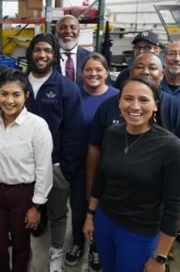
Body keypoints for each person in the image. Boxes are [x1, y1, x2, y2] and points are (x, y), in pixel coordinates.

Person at [84, 75, 180, 272]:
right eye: (128, 98)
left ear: (156, 105)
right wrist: (91, 215)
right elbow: (102, 178)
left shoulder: (171, 147)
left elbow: (174, 207)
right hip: (105, 221)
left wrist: (160, 257)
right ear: (119, 102)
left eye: (144, 99)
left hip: (139, 233)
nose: (135, 106)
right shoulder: (112, 133)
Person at [0, 69, 53, 272]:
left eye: (16, 94)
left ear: (26, 96)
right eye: (4, 94)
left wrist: (37, 206)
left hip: (23, 195)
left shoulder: (37, 126)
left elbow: (44, 169)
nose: (9, 100)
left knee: (21, 247)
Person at [25, 33, 84, 272]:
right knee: (26, 212)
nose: (42, 55)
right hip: (24, 166)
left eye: (48, 50)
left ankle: (56, 254)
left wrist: (65, 166)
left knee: (58, 214)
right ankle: (23, 253)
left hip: (55, 164)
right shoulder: (19, 83)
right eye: (38, 50)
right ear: (30, 53)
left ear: (54, 55)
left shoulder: (66, 88)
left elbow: (74, 130)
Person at [65, 53, 119, 270]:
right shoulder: (73, 96)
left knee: (102, 211)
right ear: (81, 72)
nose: (93, 73)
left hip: (109, 168)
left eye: (98, 69)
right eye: (88, 69)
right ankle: (78, 242)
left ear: (106, 72)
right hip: (79, 165)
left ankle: (97, 248)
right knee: (79, 208)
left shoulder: (117, 97)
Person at [55, 15, 92, 85]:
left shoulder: (91, 58)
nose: (68, 31)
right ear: (56, 33)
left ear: (79, 32)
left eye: (73, 28)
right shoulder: (48, 58)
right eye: (63, 28)